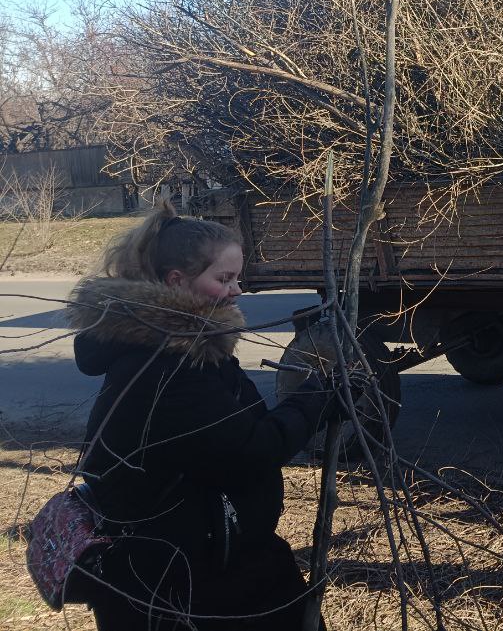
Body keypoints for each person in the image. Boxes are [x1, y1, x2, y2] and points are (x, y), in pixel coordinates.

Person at [65, 201, 339, 630]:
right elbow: (250, 449)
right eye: (224, 278)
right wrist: (316, 400)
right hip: (181, 585)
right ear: (178, 281)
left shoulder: (176, 345)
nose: (237, 290)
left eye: (237, 277)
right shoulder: (170, 363)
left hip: (199, 560)